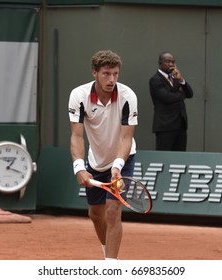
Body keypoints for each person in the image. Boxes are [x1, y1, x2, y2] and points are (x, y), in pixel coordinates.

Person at [68, 50, 138, 260]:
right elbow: (77, 137)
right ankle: (108, 252)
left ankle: (111, 265)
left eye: (115, 74)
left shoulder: (128, 97)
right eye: (106, 74)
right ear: (94, 73)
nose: (112, 79)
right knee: (96, 215)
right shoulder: (79, 96)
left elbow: (126, 138)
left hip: (122, 159)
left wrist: (117, 167)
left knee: (112, 211)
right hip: (95, 161)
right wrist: (79, 167)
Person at [149, 51, 194, 151]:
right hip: (166, 126)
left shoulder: (175, 78)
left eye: (173, 62)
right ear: (160, 63)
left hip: (180, 125)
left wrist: (181, 79)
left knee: (179, 160)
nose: (171, 64)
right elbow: (168, 98)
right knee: (163, 159)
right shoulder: (155, 79)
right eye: (167, 62)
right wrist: (182, 94)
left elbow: (190, 94)